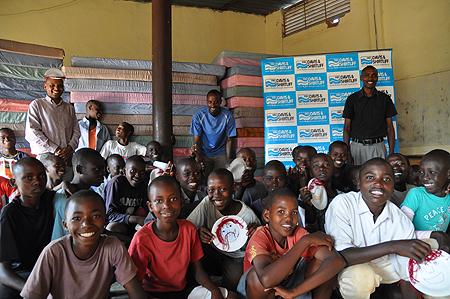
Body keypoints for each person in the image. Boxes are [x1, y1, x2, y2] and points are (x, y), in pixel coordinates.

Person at [325, 158, 432, 299]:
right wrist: (393, 246)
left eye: (386, 179)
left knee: (429, 252)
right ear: (358, 183)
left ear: (393, 185)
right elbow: (343, 256)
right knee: (362, 278)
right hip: (351, 268)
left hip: (387, 270)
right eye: (370, 177)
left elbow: (407, 269)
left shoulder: (399, 217)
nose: (378, 183)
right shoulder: (343, 204)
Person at [20, 190, 147, 299]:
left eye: (95, 216)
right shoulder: (53, 252)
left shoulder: (113, 247)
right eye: (76, 218)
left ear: (105, 220)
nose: (86, 224)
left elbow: (137, 294)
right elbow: (32, 296)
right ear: (65, 225)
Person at [129, 175, 237, 299]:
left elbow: (198, 271)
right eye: (159, 200)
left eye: (173, 199)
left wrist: (213, 289)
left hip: (183, 291)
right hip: (153, 294)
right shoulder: (142, 239)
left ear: (181, 202)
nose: (166, 206)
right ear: (150, 206)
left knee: (231, 297)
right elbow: (135, 284)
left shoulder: (188, 229)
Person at [238, 188, 346, 299]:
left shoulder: (298, 232)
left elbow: (337, 261)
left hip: (290, 286)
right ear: (267, 215)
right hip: (262, 291)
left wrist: (293, 292)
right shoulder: (260, 236)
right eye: (281, 211)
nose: (288, 218)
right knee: (255, 277)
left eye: (294, 213)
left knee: (323, 264)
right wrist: (304, 242)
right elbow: (266, 280)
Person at [187, 168, 260, 291]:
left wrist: (256, 232)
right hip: (213, 251)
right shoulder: (207, 203)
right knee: (190, 246)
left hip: (236, 257)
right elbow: (188, 227)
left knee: (232, 287)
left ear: (234, 189)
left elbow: (259, 244)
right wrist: (199, 230)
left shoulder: (247, 215)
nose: (217, 195)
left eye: (222, 189)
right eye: (211, 190)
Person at [0, 157, 55, 298]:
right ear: (14, 182)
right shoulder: (9, 214)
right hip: (21, 273)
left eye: (41, 175)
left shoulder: (50, 200)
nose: (37, 181)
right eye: (28, 177)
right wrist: (32, 291)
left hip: (48, 269)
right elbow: (3, 272)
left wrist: (65, 184)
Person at [25, 68, 80, 181]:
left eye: (60, 86)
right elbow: (33, 132)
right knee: (47, 190)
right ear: (45, 86)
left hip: (67, 157)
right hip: (46, 156)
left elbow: (76, 131)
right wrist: (56, 149)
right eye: (52, 85)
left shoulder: (68, 108)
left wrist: (69, 149)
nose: (56, 88)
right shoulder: (37, 105)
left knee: (67, 190)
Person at [343, 65, 397, 165]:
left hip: (378, 147)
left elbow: (390, 127)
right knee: (356, 177)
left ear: (377, 78)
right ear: (361, 78)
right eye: (367, 75)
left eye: (374, 75)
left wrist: (392, 153)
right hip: (357, 148)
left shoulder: (385, 99)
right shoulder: (352, 99)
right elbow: (347, 127)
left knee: (378, 177)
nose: (370, 78)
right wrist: (347, 153)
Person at [400, 149, 450, 252]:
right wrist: (433, 235)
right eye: (422, 172)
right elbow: (402, 230)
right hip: (415, 247)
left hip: (440, 247)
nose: (425, 177)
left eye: (432, 172)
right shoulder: (416, 194)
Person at [51, 148, 106, 241]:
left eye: (102, 169)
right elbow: (59, 236)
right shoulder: (64, 198)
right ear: (79, 169)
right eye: (97, 169)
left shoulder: (91, 193)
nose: (102, 173)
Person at [190, 90, 236, 178]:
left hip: (220, 151)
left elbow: (229, 140)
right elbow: (197, 139)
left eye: (216, 102)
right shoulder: (199, 115)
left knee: (223, 177)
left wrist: (229, 161)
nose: (213, 105)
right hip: (204, 152)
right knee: (204, 178)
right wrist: (198, 156)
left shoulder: (227, 116)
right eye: (210, 102)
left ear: (221, 102)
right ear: (206, 102)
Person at [103, 155, 149, 243]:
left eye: (142, 172)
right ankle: (130, 242)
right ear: (125, 171)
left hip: (131, 226)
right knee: (113, 227)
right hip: (114, 226)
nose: (137, 175)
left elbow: (145, 209)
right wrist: (135, 219)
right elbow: (109, 215)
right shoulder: (116, 183)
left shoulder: (143, 186)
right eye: (133, 171)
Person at [300, 154, 338, 232]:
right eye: (316, 166)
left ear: (334, 170)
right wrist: (308, 206)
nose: (321, 168)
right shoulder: (305, 196)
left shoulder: (342, 197)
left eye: (327, 165)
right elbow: (311, 228)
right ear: (310, 173)